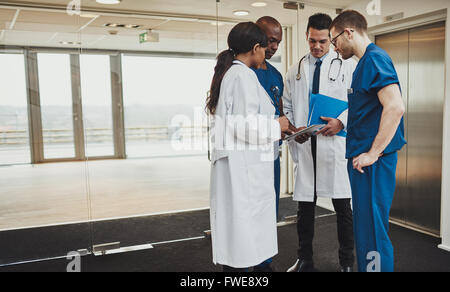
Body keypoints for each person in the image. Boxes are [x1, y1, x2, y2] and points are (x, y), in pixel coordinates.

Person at [207, 22, 292, 272]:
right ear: (256, 48)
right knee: (243, 238)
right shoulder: (242, 76)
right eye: (265, 48)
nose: (267, 53)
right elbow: (245, 126)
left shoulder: (233, 74)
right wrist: (277, 124)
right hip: (244, 171)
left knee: (240, 238)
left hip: (242, 167)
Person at [329, 10, 406, 272]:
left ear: (348, 32)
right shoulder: (364, 64)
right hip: (363, 163)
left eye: (334, 40)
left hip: (373, 163)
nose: (334, 47)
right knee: (365, 228)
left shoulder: (375, 59)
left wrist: (373, 152)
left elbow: (395, 107)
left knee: (373, 230)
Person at [283, 13, 356, 272]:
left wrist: (342, 122)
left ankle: (347, 262)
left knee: (343, 208)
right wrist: (293, 127)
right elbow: (287, 104)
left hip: (333, 144)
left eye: (323, 42)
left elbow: (359, 101)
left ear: (331, 38)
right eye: (313, 41)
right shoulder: (296, 69)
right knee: (304, 208)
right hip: (306, 146)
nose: (317, 47)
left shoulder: (347, 64)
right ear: (306, 36)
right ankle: (305, 259)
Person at [251, 16, 284, 273]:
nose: (274, 47)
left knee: (268, 210)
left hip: (271, 154)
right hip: (248, 156)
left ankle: (264, 263)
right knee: (249, 211)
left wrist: (293, 129)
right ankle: (245, 263)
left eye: (278, 42)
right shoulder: (240, 71)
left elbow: (280, 113)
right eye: (271, 40)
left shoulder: (275, 75)